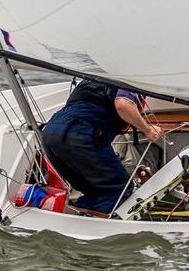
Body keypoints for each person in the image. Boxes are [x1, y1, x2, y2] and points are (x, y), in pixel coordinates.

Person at [41, 79, 162, 215]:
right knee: (118, 190)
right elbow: (123, 105)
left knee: (94, 191)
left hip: (50, 133)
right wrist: (147, 130)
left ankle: (78, 220)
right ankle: (104, 228)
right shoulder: (130, 76)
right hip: (79, 134)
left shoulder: (94, 77)